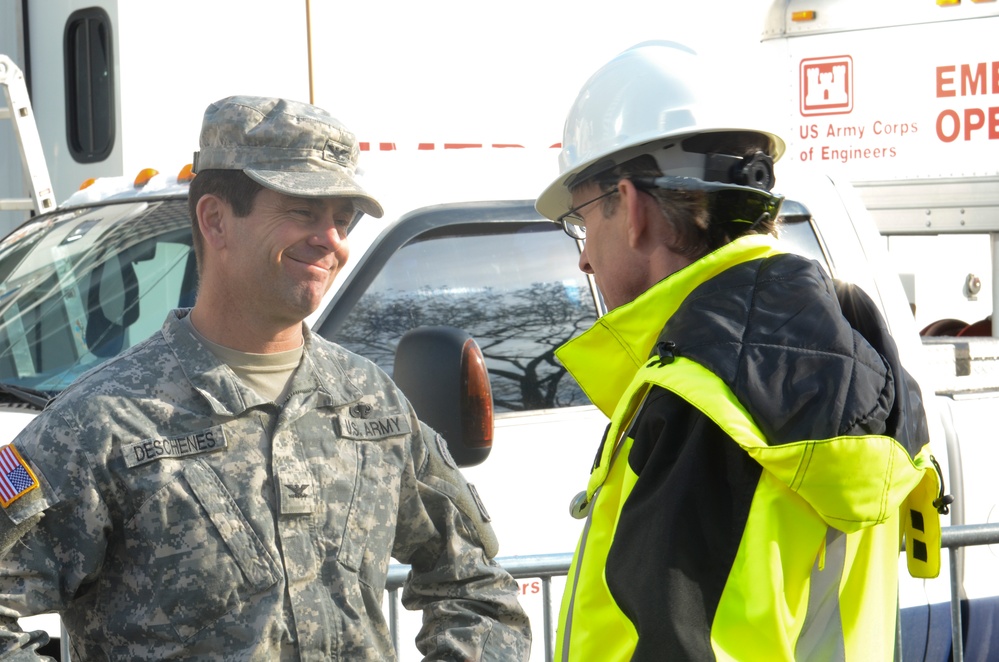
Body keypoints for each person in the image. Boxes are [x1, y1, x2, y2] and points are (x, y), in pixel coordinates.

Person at [0, 96, 531, 660]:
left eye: (342, 221)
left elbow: (476, 586)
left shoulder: (370, 405)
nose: (332, 241)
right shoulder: (100, 423)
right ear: (215, 220)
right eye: (303, 212)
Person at [534, 41, 947, 661]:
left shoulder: (704, 396)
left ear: (634, 207)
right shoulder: (851, 345)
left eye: (583, 220)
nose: (585, 255)